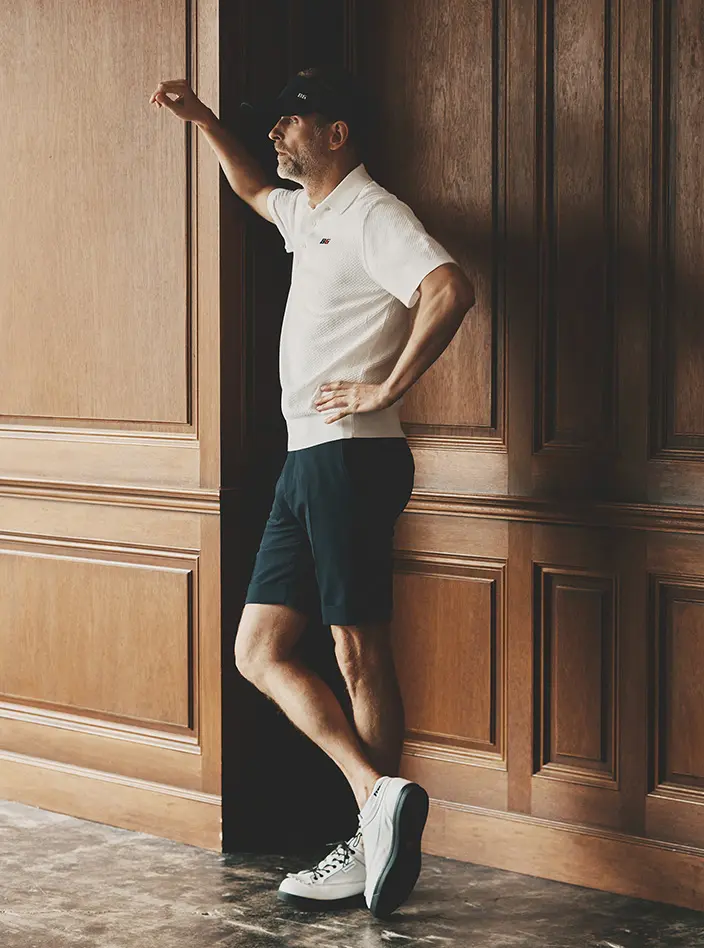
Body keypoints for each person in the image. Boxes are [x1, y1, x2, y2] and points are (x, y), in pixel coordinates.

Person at [150, 64, 475, 919]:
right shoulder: (311, 213)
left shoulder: (375, 214)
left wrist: (388, 387)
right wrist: (204, 120)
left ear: (337, 134)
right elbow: (253, 188)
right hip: (307, 460)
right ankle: (376, 797)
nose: (276, 132)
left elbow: (449, 288)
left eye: (291, 119)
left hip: (353, 459)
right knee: (257, 650)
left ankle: (370, 836)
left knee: (357, 651)